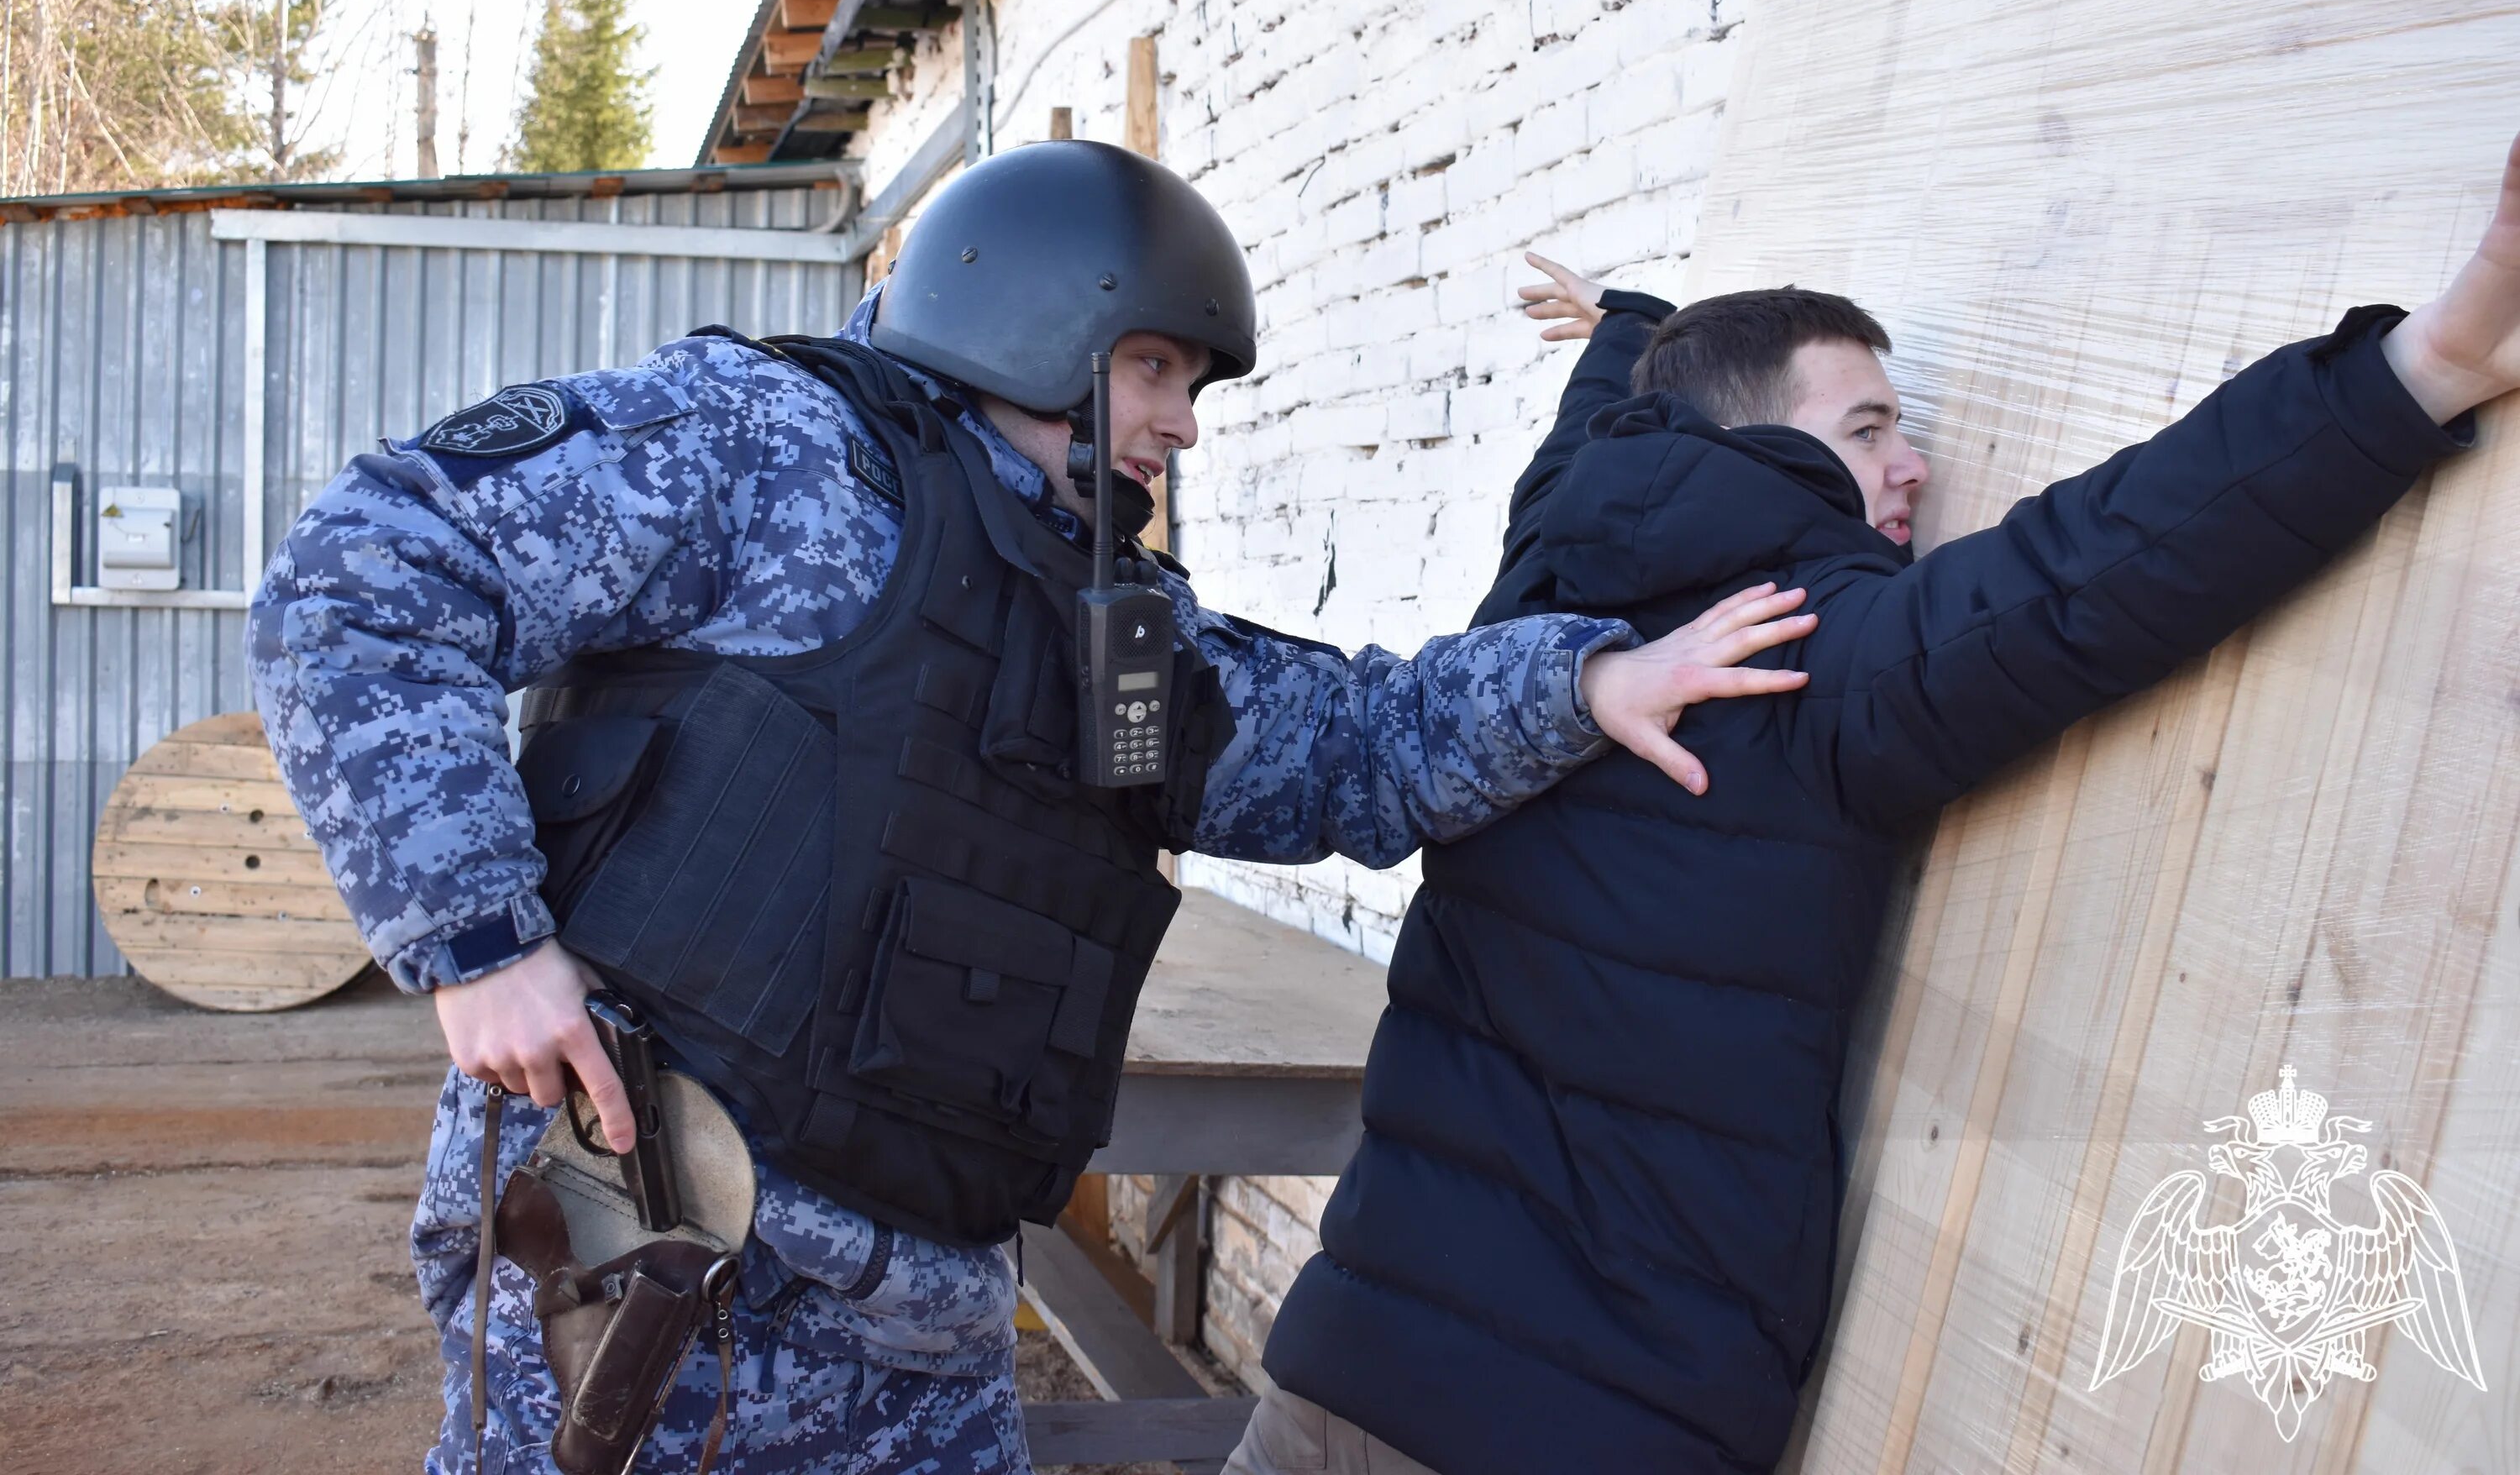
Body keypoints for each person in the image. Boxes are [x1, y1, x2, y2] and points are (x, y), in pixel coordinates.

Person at [246, 140, 1816, 1473]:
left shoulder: (1114, 622)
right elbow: (367, 571)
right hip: (656, 1280)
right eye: (1155, 367)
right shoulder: (768, 450)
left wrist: (1592, 681)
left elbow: (1345, 741)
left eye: (1191, 385)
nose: (1184, 420)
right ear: (1025, 319)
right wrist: (476, 940)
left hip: (924, 1340)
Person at [1236, 131, 2520, 1475]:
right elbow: (2104, 563)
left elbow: (1590, 441)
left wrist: (1626, 325)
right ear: (1746, 444)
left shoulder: (1537, 607)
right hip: (1577, 1431)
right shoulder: (1798, 657)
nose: (1913, 465)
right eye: (1869, 428)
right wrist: (2427, 364)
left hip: (1336, 1381)